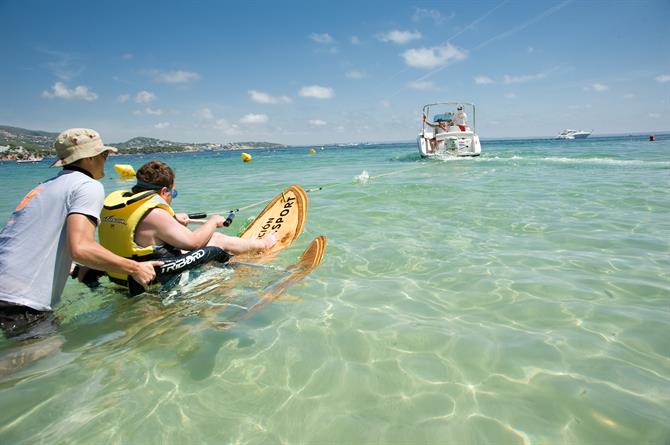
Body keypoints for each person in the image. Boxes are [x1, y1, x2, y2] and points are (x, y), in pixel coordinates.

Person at [0, 128, 160, 339]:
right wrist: (135, 268)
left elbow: (26, 241)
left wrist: (75, 269)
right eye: (104, 154)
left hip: (7, 290)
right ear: (90, 158)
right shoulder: (87, 186)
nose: (106, 159)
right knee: (39, 363)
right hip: (21, 300)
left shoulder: (46, 186)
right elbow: (81, 248)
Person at [97, 160, 277, 291]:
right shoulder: (156, 214)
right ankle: (263, 244)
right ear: (164, 191)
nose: (172, 198)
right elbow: (194, 243)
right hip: (153, 279)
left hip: (122, 278)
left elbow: (140, 232)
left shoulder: (122, 205)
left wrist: (173, 221)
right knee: (217, 238)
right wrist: (213, 221)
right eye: (173, 193)